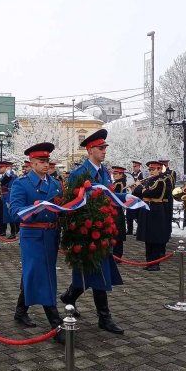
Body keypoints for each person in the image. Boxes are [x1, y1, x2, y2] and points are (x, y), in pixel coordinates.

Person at [60, 129, 124, 335]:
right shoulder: (80, 174)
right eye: (100, 148)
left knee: (98, 273)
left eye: (105, 148)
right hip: (86, 233)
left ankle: (71, 297)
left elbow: (108, 197)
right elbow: (73, 205)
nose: (104, 151)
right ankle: (103, 317)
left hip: (103, 230)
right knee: (95, 273)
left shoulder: (105, 172)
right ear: (89, 150)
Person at [9, 142, 65, 344]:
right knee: (43, 276)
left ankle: (20, 310)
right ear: (31, 163)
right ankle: (55, 322)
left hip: (51, 236)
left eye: (47, 161)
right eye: (41, 161)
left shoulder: (56, 184)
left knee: (35, 273)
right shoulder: (21, 183)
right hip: (32, 236)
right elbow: (14, 212)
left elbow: (61, 207)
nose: (45, 164)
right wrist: (34, 209)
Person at [132, 161, 169, 271]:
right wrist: (139, 189)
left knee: (155, 237)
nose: (151, 172)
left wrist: (140, 188)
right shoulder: (150, 181)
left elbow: (149, 193)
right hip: (148, 209)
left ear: (159, 170)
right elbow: (137, 193)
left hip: (156, 210)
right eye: (150, 170)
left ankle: (155, 263)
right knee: (148, 237)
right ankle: (149, 262)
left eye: (154, 169)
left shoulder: (161, 181)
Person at [111, 166, 128, 259]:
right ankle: (115, 253)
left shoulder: (120, 184)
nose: (114, 175)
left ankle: (118, 254)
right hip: (114, 208)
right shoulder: (116, 183)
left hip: (116, 208)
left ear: (121, 174)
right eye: (113, 173)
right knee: (115, 231)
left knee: (118, 231)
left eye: (116, 174)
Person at [126, 160, 144, 235]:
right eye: (133, 166)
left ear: (139, 166)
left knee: (138, 216)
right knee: (129, 215)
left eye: (135, 166)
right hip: (130, 197)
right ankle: (129, 230)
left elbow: (141, 187)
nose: (134, 168)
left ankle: (138, 231)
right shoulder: (130, 175)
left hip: (138, 197)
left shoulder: (141, 175)